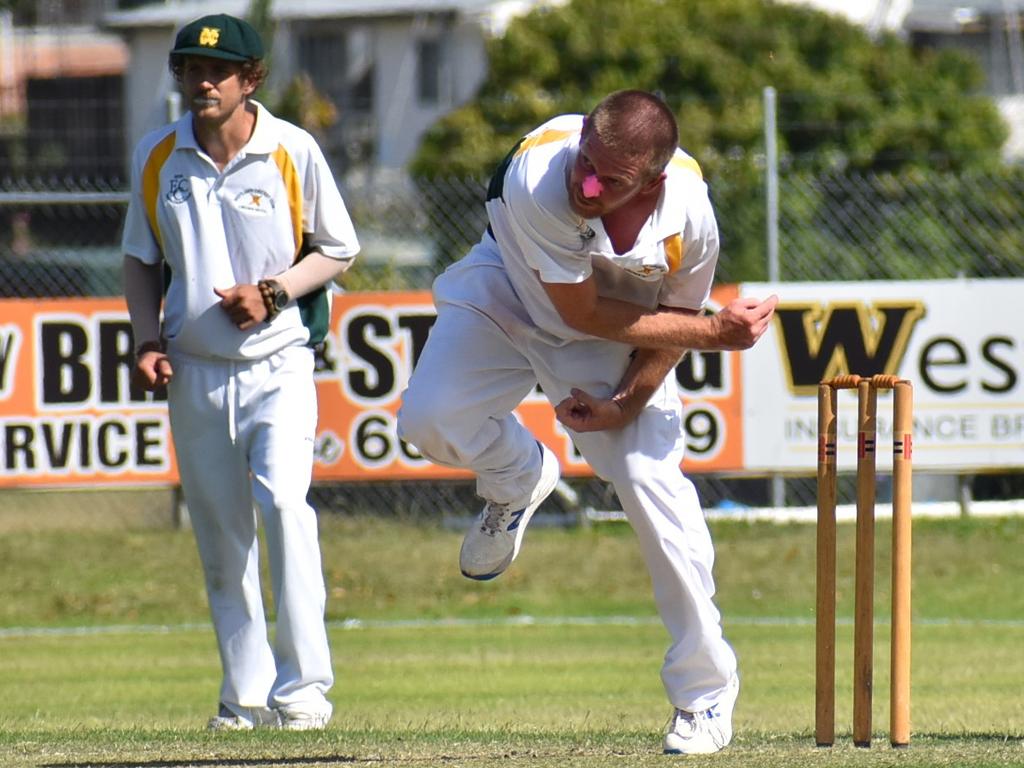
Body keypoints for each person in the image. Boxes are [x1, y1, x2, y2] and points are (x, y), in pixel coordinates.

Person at [397, 90, 777, 755]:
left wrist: (626, 403)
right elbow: (579, 313)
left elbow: (675, 326)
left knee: (645, 476)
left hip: (615, 317)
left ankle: (705, 695)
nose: (588, 182)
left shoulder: (690, 216)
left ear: (653, 180)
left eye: (612, 179)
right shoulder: (541, 178)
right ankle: (518, 476)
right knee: (428, 419)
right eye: (586, 160)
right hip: (510, 289)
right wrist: (717, 333)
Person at [121, 13, 359, 731]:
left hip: (278, 366)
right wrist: (144, 339)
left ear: (251, 80)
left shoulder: (291, 149)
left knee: (285, 508)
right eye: (191, 68)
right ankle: (244, 694)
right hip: (193, 373)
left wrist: (274, 291)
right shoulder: (158, 155)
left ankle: (304, 693)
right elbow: (140, 256)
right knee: (222, 539)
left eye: (217, 71)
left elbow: (339, 247)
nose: (202, 82)